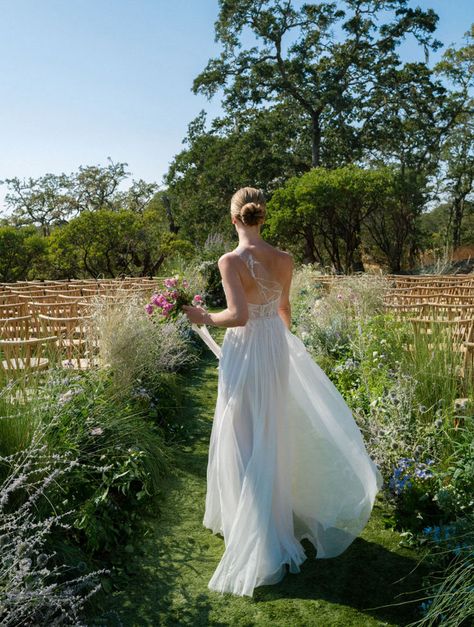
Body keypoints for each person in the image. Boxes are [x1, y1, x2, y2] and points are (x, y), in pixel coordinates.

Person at [182, 186, 383, 598]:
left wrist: (203, 316)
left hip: (249, 346)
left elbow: (237, 316)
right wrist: (283, 346)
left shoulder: (230, 260)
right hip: (275, 345)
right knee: (269, 427)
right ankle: (265, 514)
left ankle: (254, 523)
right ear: (262, 216)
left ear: (234, 217)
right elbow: (284, 310)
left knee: (242, 431)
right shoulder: (286, 259)